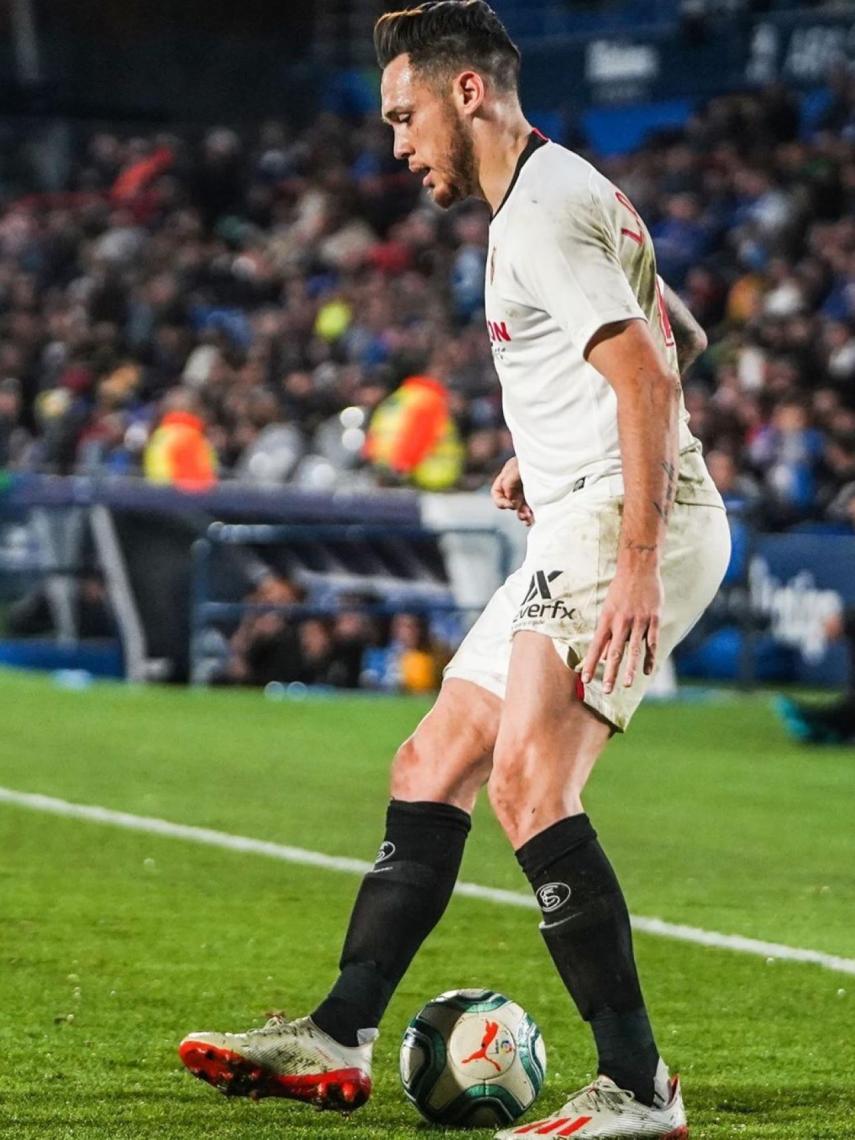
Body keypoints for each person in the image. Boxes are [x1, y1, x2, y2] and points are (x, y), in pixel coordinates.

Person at [178, 4, 729, 1137]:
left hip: (628, 522)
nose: (398, 145)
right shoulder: (561, 193)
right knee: (433, 759)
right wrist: (551, 447)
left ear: (465, 91)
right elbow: (682, 340)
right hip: (584, 507)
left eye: (404, 115)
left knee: (531, 787)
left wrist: (633, 558)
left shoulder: (537, 216)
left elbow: (657, 382)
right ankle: (337, 1034)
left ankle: (638, 1088)